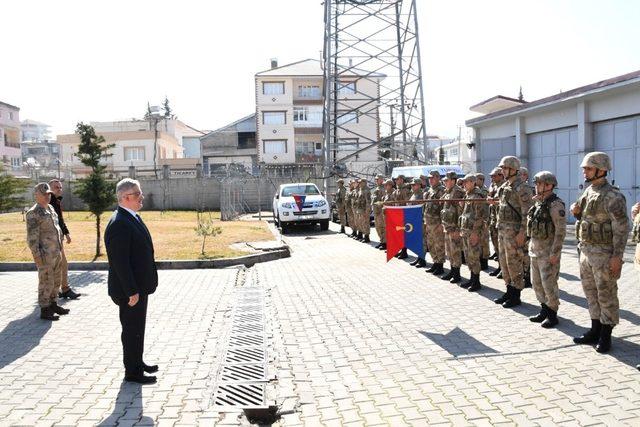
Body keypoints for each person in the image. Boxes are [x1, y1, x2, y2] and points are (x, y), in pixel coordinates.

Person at [571, 152, 629, 353]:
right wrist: (577, 213)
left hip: (604, 255)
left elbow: (622, 227)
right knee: (591, 293)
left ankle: (606, 335)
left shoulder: (613, 196)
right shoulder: (588, 191)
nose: (584, 172)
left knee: (606, 295)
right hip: (587, 251)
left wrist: (617, 257)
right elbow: (585, 218)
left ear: (601, 170)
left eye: (588, 168)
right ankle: (595, 329)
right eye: (585, 168)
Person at [105, 178, 159, 384]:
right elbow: (120, 262)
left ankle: (137, 362)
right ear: (126, 198)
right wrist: (131, 291)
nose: (141, 197)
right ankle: (133, 372)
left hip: (138, 287)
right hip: (130, 290)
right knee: (131, 330)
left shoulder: (131, 217)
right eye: (137, 194)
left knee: (137, 329)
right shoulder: (119, 223)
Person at [492, 156, 533, 308]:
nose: (502, 171)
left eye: (504, 168)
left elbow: (527, 213)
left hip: (515, 233)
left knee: (514, 263)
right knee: (504, 262)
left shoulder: (522, 188)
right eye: (502, 168)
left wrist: (523, 233)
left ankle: (516, 295)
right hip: (503, 231)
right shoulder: (504, 187)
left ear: (513, 169)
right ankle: (509, 290)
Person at [526, 171, 566, 328]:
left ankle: (552, 314)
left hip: (548, 253)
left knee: (549, 285)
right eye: (536, 184)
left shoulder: (556, 205)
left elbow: (561, 232)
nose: (537, 187)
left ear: (550, 186)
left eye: (540, 184)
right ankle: (543, 310)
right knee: (537, 284)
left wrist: (555, 253)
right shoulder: (538, 203)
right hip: (535, 250)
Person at [26, 183, 69, 321]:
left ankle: (53, 304)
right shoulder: (33, 213)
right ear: (36, 195)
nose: (47, 196)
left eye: (49, 193)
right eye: (44, 194)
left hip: (56, 252)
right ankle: (45, 309)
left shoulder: (50, 208)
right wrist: (37, 257)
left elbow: (57, 229)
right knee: (46, 281)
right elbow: (32, 239)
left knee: (56, 280)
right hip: (44, 255)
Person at [47, 179, 81, 300]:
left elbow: (60, 220)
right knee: (60, 264)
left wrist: (66, 233)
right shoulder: (49, 201)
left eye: (60, 187)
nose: (59, 189)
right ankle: (63, 290)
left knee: (61, 264)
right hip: (51, 239)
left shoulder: (56, 201)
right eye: (56, 187)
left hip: (58, 237)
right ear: (49, 188)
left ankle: (61, 289)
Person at [459, 173, 489, 292]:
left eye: (466, 182)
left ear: (472, 182)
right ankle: (472, 278)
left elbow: (479, 216)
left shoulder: (477, 195)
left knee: (474, 256)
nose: (464, 185)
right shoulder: (468, 195)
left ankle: (476, 281)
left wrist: (475, 233)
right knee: (468, 256)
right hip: (466, 230)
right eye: (464, 183)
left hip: (473, 232)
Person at [440, 171, 465, 283]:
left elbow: (461, 212)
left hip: (454, 227)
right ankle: (452, 270)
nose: (445, 182)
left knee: (455, 251)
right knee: (449, 251)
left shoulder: (458, 192)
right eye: (445, 181)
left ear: (453, 180)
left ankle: (457, 274)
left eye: (447, 180)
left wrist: (458, 229)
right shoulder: (448, 192)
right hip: (447, 226)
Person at [424, 170, 446, 275]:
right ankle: (435, 263)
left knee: (439, 245)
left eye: (432, 178)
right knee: (431, 244)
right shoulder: (429, 191)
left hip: (437, 223)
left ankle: (440, 265)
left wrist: (442, 224)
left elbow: (443, 208)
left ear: (438, 178)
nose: (430, 180)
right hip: (429, 223)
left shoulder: (441, 191)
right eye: (429, 178)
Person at [488, 168, 505, 277]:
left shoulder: (504, 187)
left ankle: (504, 269)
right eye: (491, 176)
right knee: (496, 247)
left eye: (494, 176)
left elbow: (505, 203)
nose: (492, 178)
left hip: (501, 221)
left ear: (501, 175)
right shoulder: (493, 187)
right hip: (493, 220)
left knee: (502, 248)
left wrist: (494, 202)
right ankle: (499, 267)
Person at [409, 178, 427, 267]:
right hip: (414, 221)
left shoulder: (422, 195)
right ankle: (419, 258)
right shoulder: (413, 195)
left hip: (420, 220)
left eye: (414, 185)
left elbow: (423, 208)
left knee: (422, 240)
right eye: (411, 185)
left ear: (419, 185)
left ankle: (422, 260)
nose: (412, 186)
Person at [475, 173, 491, 271]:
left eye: (477, 179)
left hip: (484, 218)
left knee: (484, 241)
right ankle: (480, 259)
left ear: (481, 180)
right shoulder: (476, 190)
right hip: (478, 218)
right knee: (479, 241)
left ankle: (485, 261)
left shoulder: (484, 191)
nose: (476, 181)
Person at [392, 174, 410, 259]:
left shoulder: (405, 190)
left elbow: (407, 203)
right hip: (398, 214)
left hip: (403, 214)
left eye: (397, 179)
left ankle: (404, 252)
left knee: (403, 234)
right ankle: (401, 250)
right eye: (395, 179)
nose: (396, 181)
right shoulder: (397, 190)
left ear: (402, 180)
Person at [377, 179, 395, 250]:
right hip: (385, 215)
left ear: (390, 185)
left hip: (391, 215)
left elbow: (394, 204)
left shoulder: (393, 193)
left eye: (386, 185)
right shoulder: (386, 193)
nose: (384, 186)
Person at [371, 174, 386, 249]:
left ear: (381, 179)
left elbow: (383, 201)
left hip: (380, 211)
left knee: (382, 227)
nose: (376, 181)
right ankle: (382, 241)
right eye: (376, 180)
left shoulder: (383, 188)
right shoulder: (377, 188)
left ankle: (385, 243)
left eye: (378, 179)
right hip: (376, 211)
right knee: (378, 227)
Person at [355, 179, 371, 243]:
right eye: (359, 182)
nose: (359, 184)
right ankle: (363, 235)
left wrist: (367, 210)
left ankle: (367, 237)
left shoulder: (366, 190)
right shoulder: (360, 190)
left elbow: (368, 202)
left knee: (366, 223)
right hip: (360, 209)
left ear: (364, 183)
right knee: (361, 223)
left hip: (364, 210)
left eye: (361, 182)